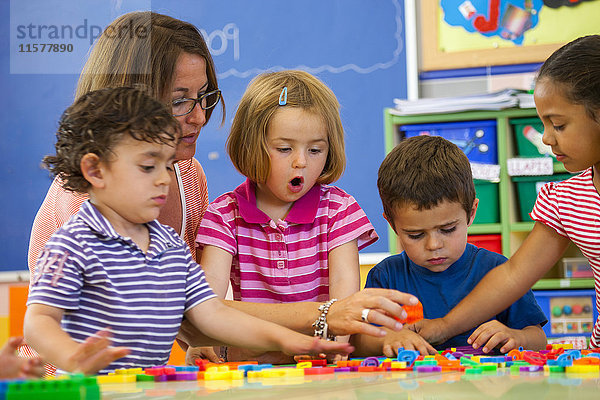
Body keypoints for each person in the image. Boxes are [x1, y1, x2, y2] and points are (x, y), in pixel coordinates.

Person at [23, 87, 354, 375]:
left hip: (148, 388)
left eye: (168, 165)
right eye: (147, 166)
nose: (164, 179)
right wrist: (71, 356)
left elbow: (211, 315)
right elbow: (38, 321)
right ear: (95, 169)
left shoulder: (169, 247)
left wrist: (284, 338)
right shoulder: (73, 245)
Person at [22, 10, 223, 371]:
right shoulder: (87, 194)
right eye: (179, 101)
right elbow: (136, 304)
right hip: (60, 380)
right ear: (131, 103)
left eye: (204, 96)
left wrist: (197, 340)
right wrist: (313, 319)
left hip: (132, 380)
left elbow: (182, 295)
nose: (199, 117)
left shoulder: (190, 175)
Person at [410, 35, 600, 350]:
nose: (547, 139)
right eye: (544, 125)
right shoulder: (567, 199)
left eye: (559, 125)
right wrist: (444, 326)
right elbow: (513, 275)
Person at [194, 70, 378, 362]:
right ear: (251, 145)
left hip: (318, 360)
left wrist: (335, 350)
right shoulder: (224, 216)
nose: (301, 162)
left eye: (316, 149)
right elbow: (206, 306)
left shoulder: (339, 211)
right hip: (255, 368)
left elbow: (343, 308)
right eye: (284, 148)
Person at [351, 136, 547, 357]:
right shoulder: (386, 276)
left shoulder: (498, 270)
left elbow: (538, 338)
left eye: (447, 230)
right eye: (415, 235)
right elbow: (358, 342)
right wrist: (389, 339)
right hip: (415, 390)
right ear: (393, 225)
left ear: (471, 213)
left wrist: (517, 337)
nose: (434, 245)